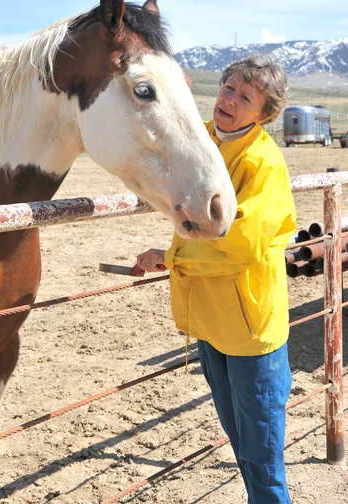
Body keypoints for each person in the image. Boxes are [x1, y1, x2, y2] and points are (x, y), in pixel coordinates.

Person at [136, 55, 297, 504]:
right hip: (211, 322)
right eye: (228, 87)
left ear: (265, 114)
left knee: (261, 454)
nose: (229, 99)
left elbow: (239, 243)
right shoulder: (203, 139)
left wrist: (176, 258)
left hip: (249, 330)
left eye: (246, 97)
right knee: (238, 438)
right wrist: (168, 255)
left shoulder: (262, 162)